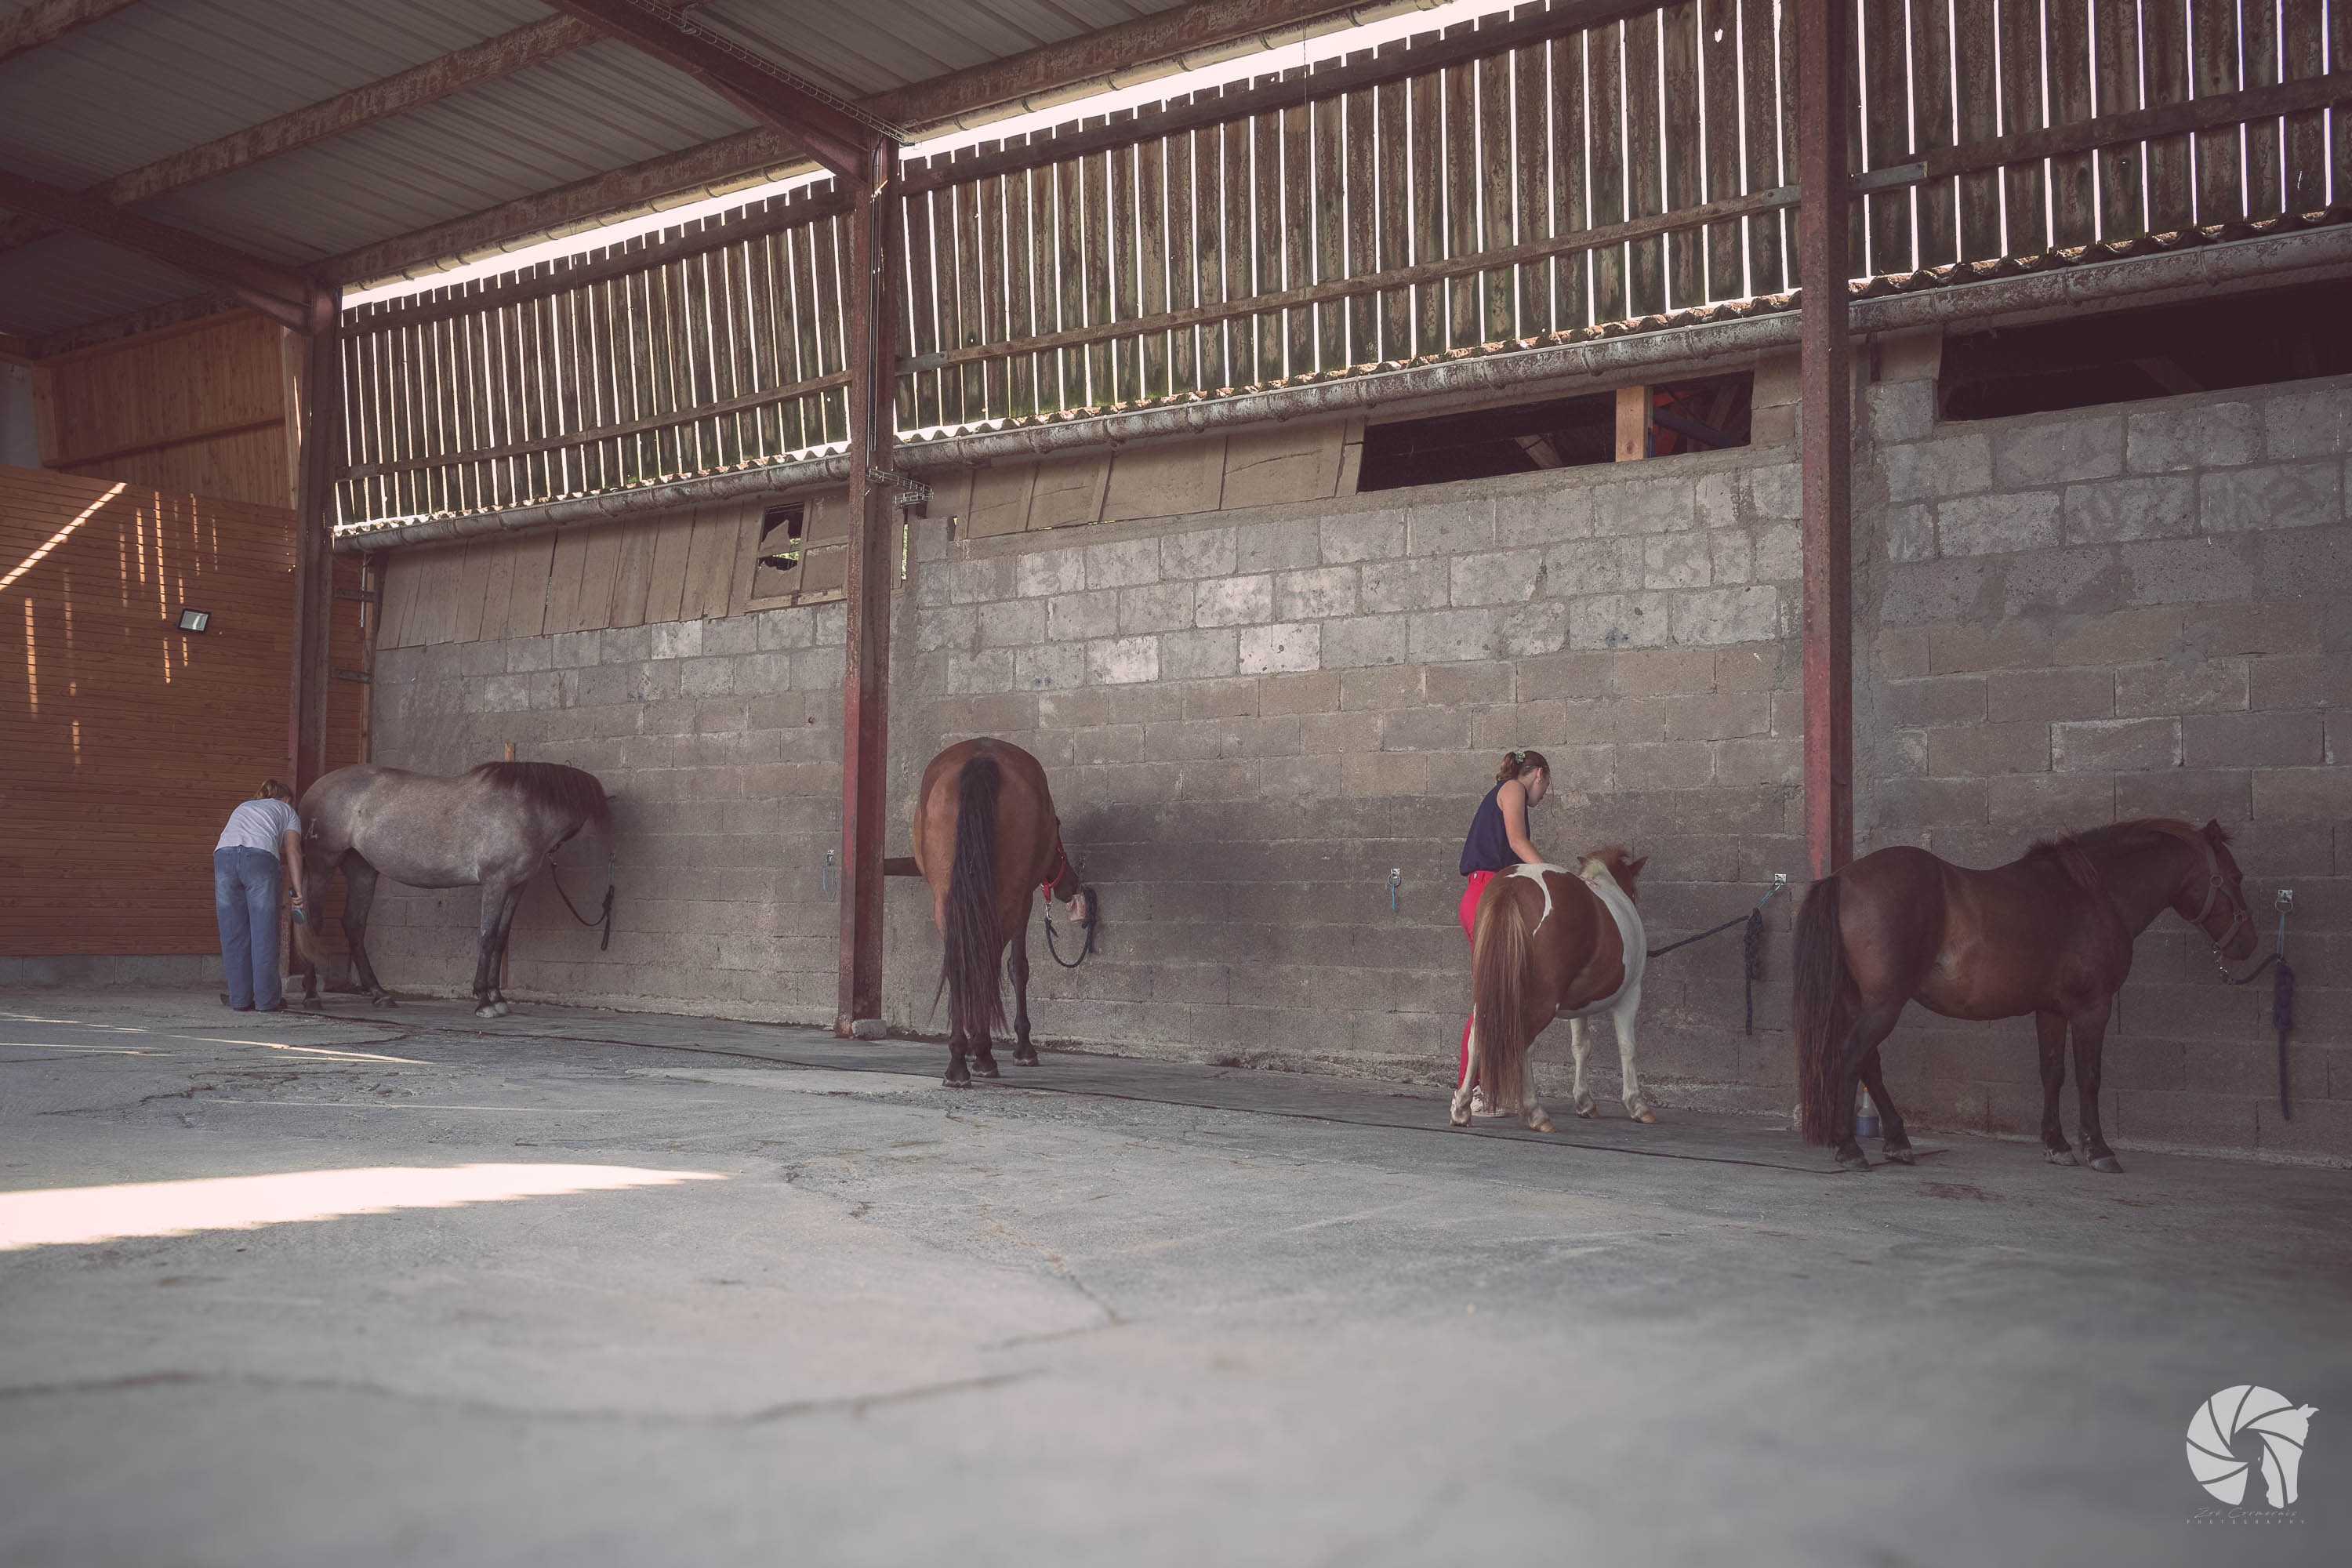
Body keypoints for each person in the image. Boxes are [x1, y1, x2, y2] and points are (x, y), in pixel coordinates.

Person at [1456, 749, 1551, 1115]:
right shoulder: (1512, 788)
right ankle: (1475, 1089)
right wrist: (1556, 876)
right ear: (1539, 775)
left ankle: (1485, 1090)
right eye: (1547, 787)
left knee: (1498, 995)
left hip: (1490, 895)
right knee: (1488, 997)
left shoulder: (1507, 791)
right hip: (1486, 895)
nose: (1543, 796)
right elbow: (1516, 842)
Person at [213, 780, 307, 1012]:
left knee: (233, 933)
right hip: (259, 858)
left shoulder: (244, 806)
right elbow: (294, 851)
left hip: (224, 857)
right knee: (263, 931)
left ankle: (240, 999)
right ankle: (266, 1001)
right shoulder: (288, 811)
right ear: (287, 799)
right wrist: (298, 891)